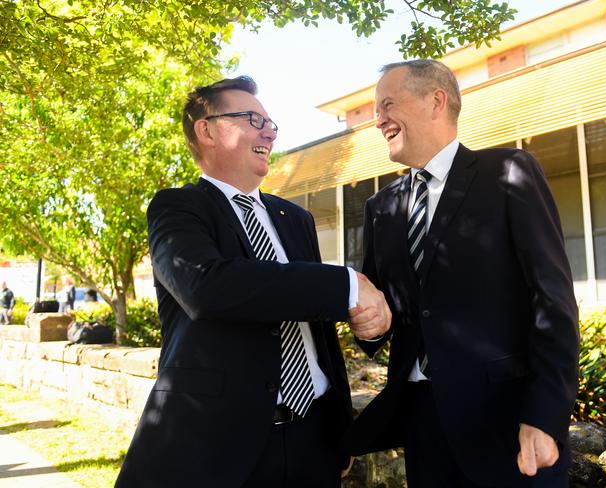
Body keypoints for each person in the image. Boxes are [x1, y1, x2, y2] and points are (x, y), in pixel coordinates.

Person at [116, 76, 390, 487]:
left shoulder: (296, 219)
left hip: (313, 438)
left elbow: (314, 331)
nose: (269, 132)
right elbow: (206, 287)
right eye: (251, 119)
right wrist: (346, 285)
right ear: (206, 129)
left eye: (271, 124)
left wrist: (340, 425)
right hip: (218, 446)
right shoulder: (178, 208)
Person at [344, 60, 580, 487]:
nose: (378, 119)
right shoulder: (381, 208)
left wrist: (545, 416)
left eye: (388, 104)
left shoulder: (508, 172)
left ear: (436, 100)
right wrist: (370, 326)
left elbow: (553, 301)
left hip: (507, 423)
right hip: (422, 427)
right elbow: (379, 314)